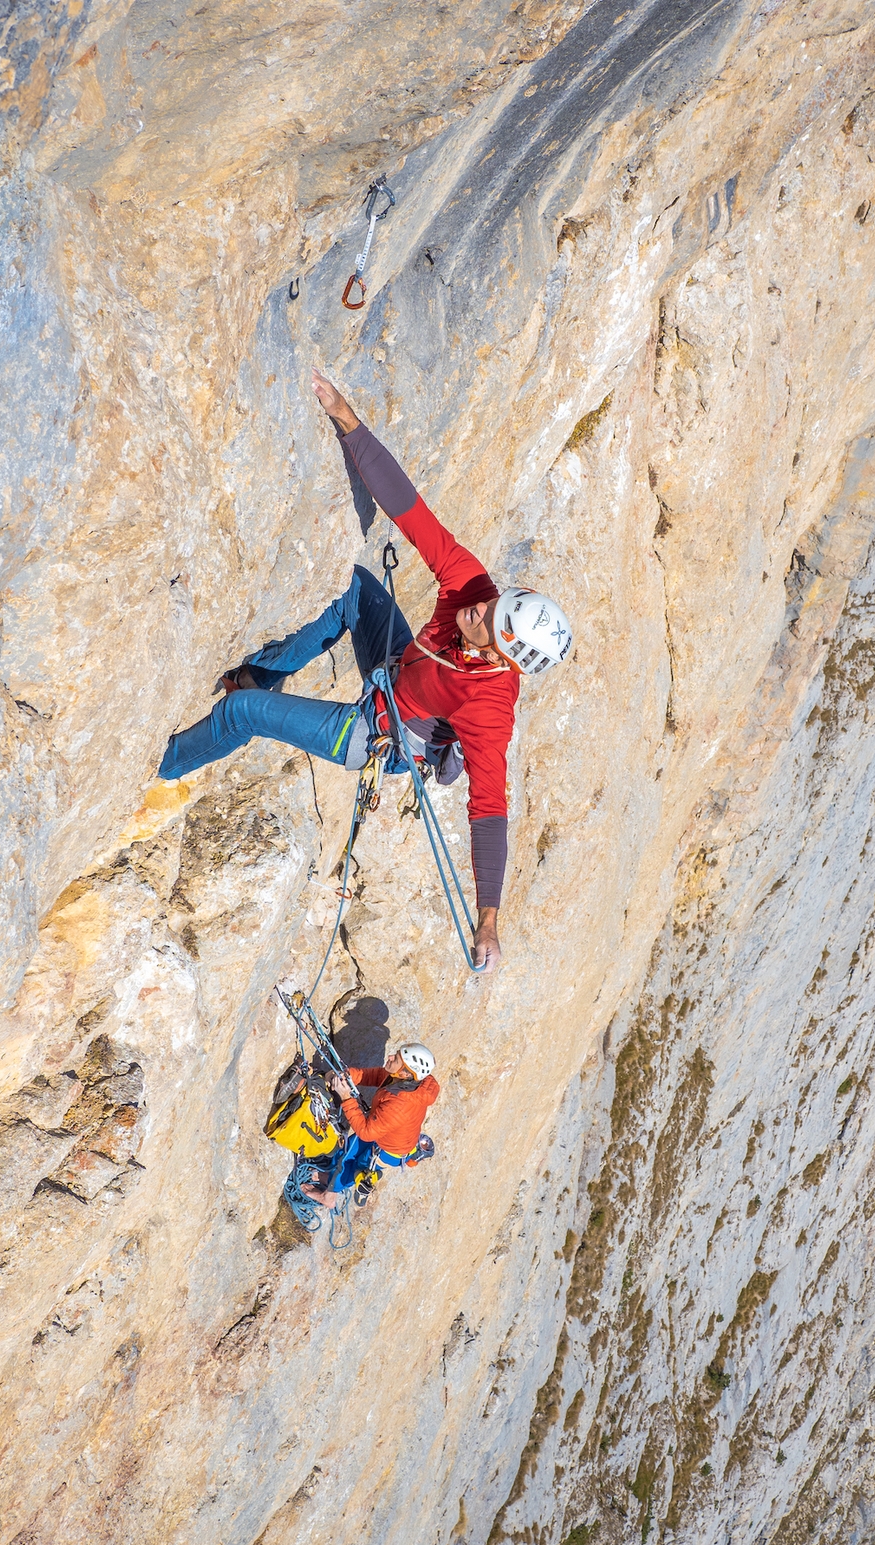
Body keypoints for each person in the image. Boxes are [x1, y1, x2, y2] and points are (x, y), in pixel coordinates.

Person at [156, 369, 574, 970]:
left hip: (376, 733)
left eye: (486, 619)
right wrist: (348, 421)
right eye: (492, 601)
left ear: (499, 654)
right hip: (394, 665)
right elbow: (412, 513)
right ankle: (263, 675)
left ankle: (163, 762)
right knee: (353, 590)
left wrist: (488, 920)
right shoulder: (475, 590)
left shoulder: (488, 710)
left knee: (242, 716)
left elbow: (489, 810)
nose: (478, 605)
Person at [296, 1042, 439, 1210]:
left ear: (407, 1073)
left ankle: (329, 1197)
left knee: (352, 1164)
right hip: (387, 1134)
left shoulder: (400, 1104)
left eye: (396, 1059)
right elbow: (377, 1076)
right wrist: (347, 1076)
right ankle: (330, 1177)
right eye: (396, 1054)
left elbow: (365, 1132)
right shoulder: (411, 1080)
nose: (390, 1057)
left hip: (388, 1149)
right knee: (346, 1150)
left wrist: (346, 1097)